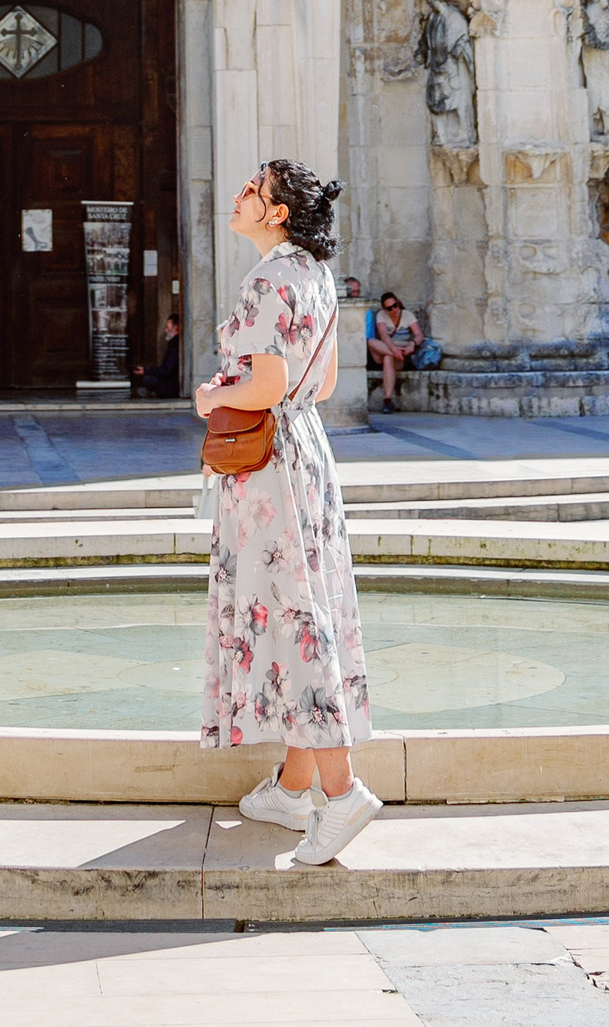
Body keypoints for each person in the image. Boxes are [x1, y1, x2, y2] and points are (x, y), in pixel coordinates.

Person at [198, 159, 378, 865]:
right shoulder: (313, 274)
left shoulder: (269, 277)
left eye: (251, 188)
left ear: (275, 212)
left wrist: (214, 397)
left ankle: (340, 791)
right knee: (303, 608)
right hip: (305, 447)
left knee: (291, 620)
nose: (239, 194)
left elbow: (266, 380)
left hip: (267, 461)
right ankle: (293, 783)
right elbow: (322, 379)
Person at [368, 292, 422, 413]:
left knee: (388, 359)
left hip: (402, 354)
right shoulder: (382, 315)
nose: (394, 309)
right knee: (371, 342)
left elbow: (419, 335)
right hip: (391, 349)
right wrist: (394, 350)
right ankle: (394, 354)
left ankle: (388, 400)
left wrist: (412, 344)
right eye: (389, 308)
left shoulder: (407, 315)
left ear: (398, 303)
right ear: (384, 309)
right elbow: (384, 335)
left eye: (395, 305)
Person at [131, 313, 184, 398]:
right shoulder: (174, 344)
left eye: (167, 327)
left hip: (171, 385)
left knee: (147, 380)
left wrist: (146, 371)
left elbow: (167, 370)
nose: (165, 330)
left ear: (176, 328)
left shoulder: (175, 346)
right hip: (170, 382)